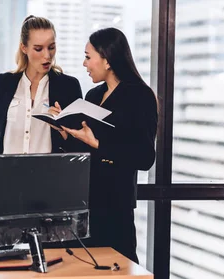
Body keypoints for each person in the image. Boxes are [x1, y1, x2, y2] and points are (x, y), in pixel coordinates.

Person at [62, 28, 158, 263]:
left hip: (116, 208)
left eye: (88, 56)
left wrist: (98, 143)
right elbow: (86, 147)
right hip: (84, 207)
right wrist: (67, 131)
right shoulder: (94, 95)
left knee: (119, 270)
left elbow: (145, 157)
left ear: (106, 59)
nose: (84, 64)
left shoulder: (140, 95)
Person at [0, 15, 82, 155]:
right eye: (38, 49)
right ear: (24, 48)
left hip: (51, 174)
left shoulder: (69, 87)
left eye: (51, 47)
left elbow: (77, 147)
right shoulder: (3, 84)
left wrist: (62, 129)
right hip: (7, 174)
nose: (47, 55)